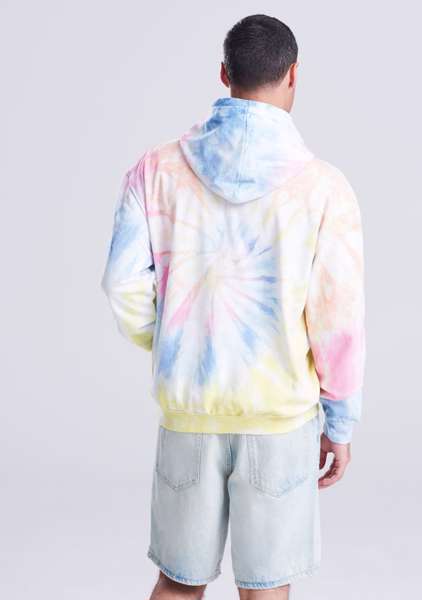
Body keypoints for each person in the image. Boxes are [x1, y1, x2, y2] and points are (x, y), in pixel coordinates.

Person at [101, 13, 366, 600]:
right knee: (266, 589)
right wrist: (341, 422)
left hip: (189, 411)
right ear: (293, 74)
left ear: (224, 73)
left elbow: (122, 285)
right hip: (279, 419)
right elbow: (338, 321)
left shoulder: (156, 170)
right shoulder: (325, 188)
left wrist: (174, 339)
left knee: (177, 584)